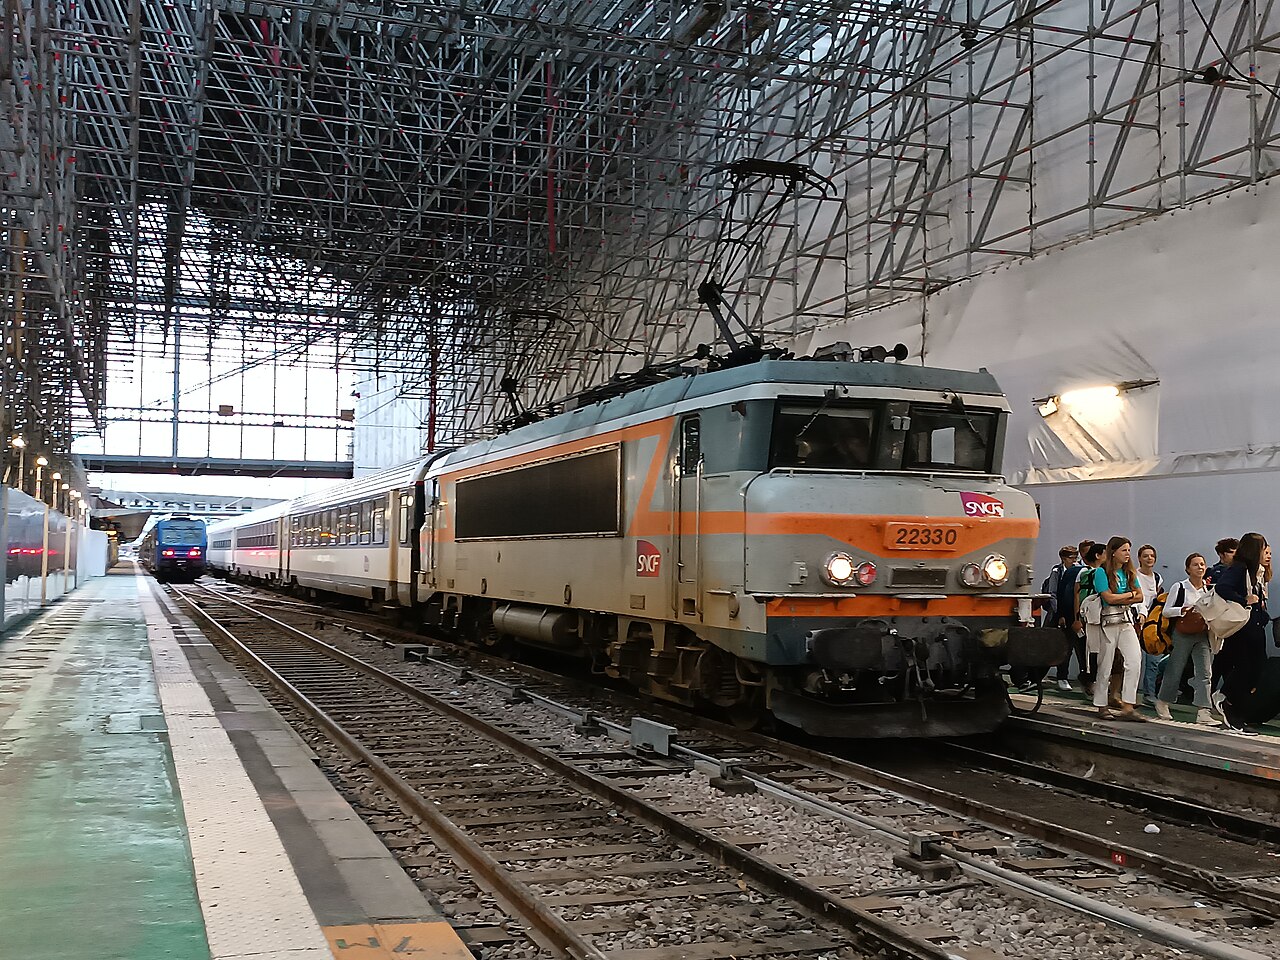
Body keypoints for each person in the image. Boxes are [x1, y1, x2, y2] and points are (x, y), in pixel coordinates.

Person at [1154, 553, 1221, 724]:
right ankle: (1163, 702)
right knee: (1175, 668)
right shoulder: (1180, 587)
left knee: (1205, 671)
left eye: (1202, 564)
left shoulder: (1208, 590)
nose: (1200, 567)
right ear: (1188, 569)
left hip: (1202, 633)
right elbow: (1166, 610)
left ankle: (1203, 710)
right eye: (1195, 564)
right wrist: (1182, 610)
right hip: (1183, 632)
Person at [1214, 533, 1270, 734]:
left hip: (1254, 625)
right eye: (1263, 548)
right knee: (1245, 667)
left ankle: (1235, 710)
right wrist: (1243, 599)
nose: (1267, 552)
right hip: (1243, 627)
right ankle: (1227, 702)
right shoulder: (1239, 568)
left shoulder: (1256, 572)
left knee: (1256, 669)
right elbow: (1222, 587)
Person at [1092, 537, 1146, 721]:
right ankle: (1101, 705)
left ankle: (1128, 705)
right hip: (1108, 621)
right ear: (1113, 552)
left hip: (1125, 620)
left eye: (1129, 550)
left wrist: (1123, 596)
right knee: (1105, 664)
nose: (1127, 554)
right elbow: (1108, 598)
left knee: (1134, 660)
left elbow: (1140, 597)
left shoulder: (1128, 572)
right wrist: (1130, 595)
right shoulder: (1101, 572)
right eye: (1124, 550)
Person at [1053, 542, 1089, 692]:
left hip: (1080, 616)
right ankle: (1062, 676)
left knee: (1082, 648)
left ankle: (1085, 678)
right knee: (1065, 647)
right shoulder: (1058, 571)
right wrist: (1059, 614)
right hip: (1065, 615)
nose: (1073, 559)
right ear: (1063, 558)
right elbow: (1056, 593)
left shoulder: (1081, 570)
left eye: (1075, 556)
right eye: (1070, 557)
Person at [1073, 542, 1106, 698]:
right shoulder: (1084, 573)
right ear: (1098, 555)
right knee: (1089, 652)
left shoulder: (1107, 572)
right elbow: (1077, 596)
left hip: (1102, 618)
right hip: (1088, 617)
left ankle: (1098, 682)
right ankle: (1088, 680)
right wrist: (1077, 618)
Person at [1135, 544, 1165, 704]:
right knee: (1134, 659)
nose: (1149, 558)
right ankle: (1128, 694)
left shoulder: (1157, 578)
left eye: (1152, 555)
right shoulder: (1133, 575)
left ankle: (1149, 694)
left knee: (1153, 659)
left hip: (1152, 623)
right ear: (1139, 558)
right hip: (1136, 619)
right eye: (1145, 555)